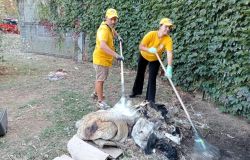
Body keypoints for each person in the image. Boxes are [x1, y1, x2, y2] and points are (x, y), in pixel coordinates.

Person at [129, 18, 174, 103]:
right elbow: (140, 47)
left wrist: (169, 67)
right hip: (144, 55)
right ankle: (136, 91)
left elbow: (169, 53)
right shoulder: (151, 34)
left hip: (155, 59)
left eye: (169, 27)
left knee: (152, 78)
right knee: (140, 73)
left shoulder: (168, 39)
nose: (168, 29)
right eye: (166, 26)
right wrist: (149, 49)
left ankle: (150, 99)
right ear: (160, 26)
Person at [92, 8, 124, 109]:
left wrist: (118, 36)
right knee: (100, 80)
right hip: (101, 59)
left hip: (104, 59)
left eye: (115, 19)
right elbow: (102, 45)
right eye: (111, 19)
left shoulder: (108, 26)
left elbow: (113, 30)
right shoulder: (103, 30)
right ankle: (100, 101)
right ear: (106, 18)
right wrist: (116, 55)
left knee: (100, 78)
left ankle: (96, 93)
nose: (113, 21)